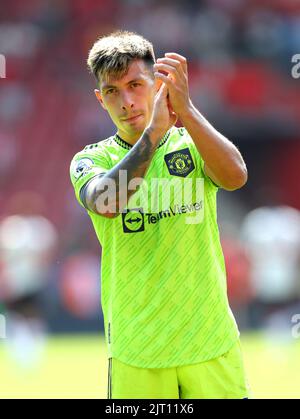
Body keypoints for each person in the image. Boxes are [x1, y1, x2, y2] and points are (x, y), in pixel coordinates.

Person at [70, 30, 249, 399]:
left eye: (136, 84)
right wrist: (153, 134)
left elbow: (235, 177)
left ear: (158, 86)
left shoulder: (192, 144)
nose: (127, 101)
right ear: (100, 99)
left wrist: (187, 110)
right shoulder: (91, 160)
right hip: (138, 347)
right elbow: (106, 202)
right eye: (113, 91)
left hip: (209, 339)